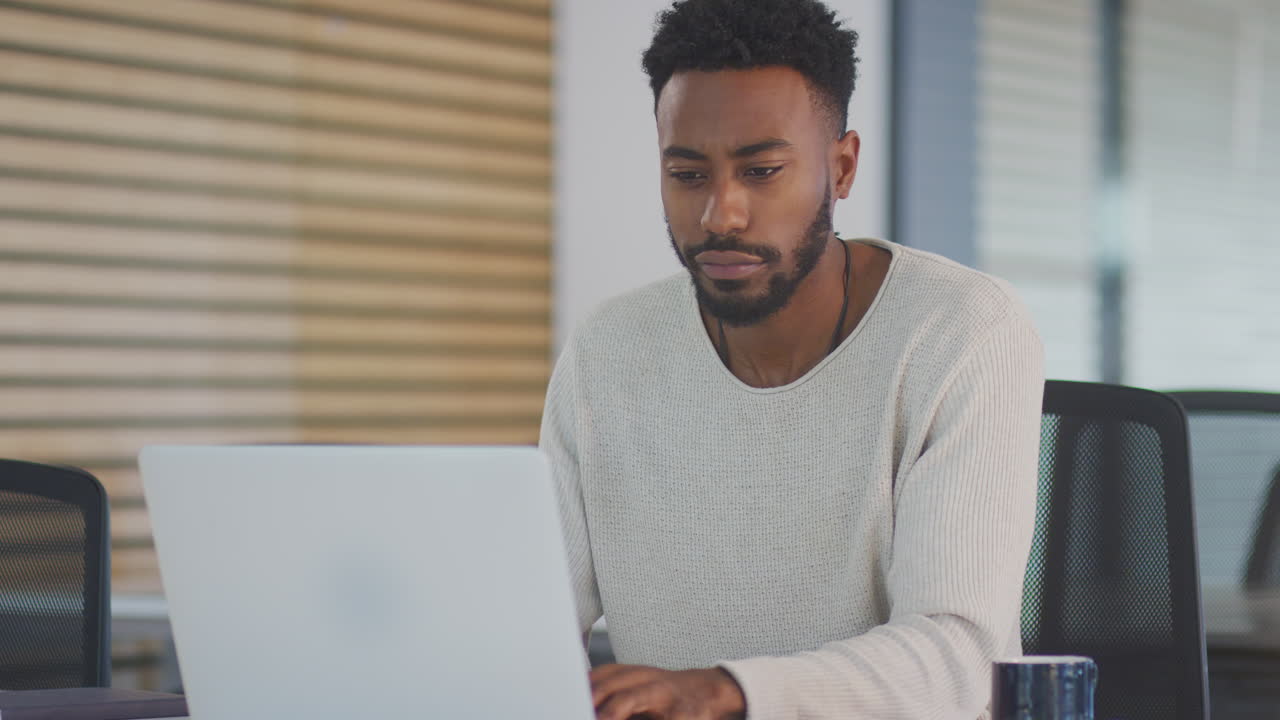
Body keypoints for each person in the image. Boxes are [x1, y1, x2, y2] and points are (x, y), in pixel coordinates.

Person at [538, 0, 1045, 717]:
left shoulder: (960, 331)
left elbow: (962, 659)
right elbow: (527, 617)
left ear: (840, 168)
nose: (721, 214)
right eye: (687, 175)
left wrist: (729, 692)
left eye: (762, 171)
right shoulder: (608, 351)